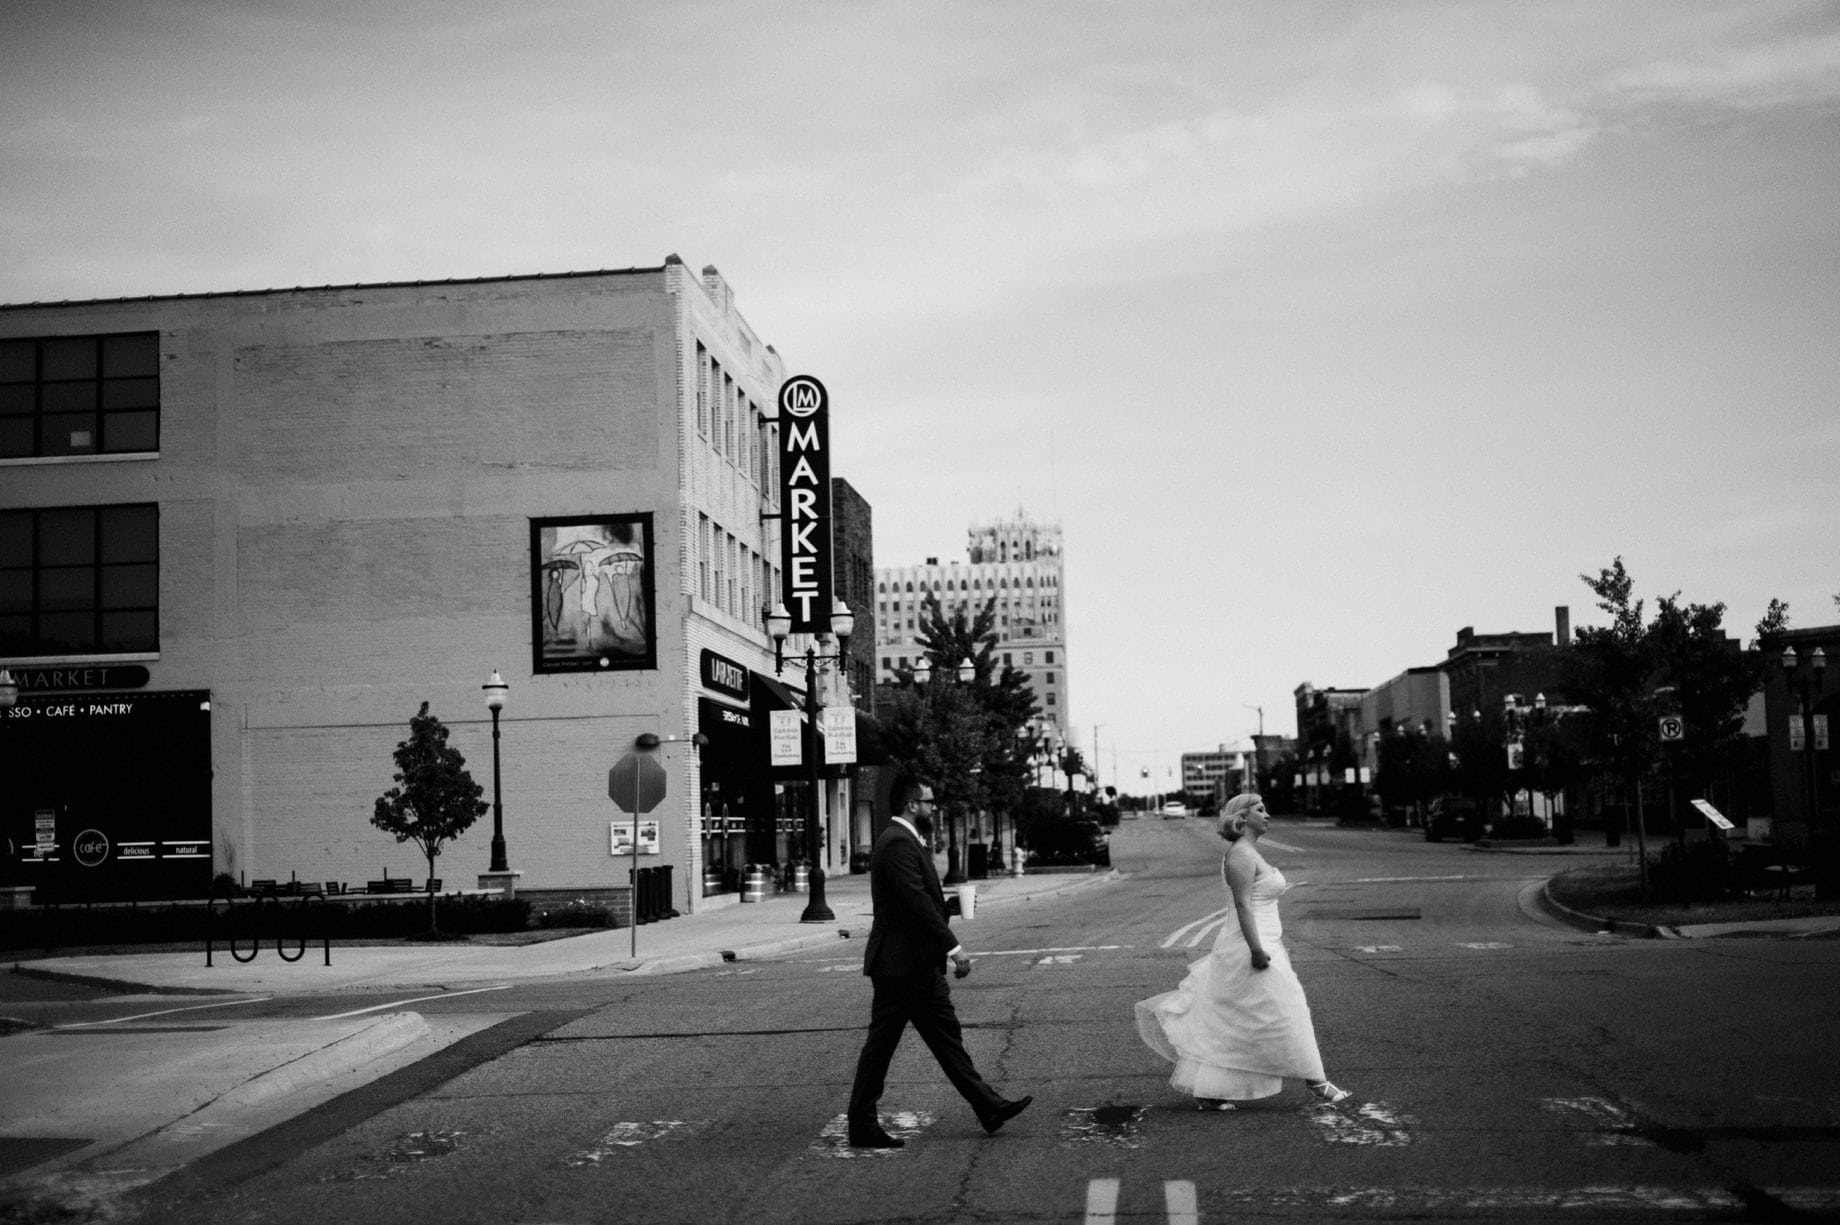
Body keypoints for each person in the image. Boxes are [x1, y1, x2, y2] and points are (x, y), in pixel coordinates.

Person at [845, 772, 1033, 1148]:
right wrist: (954, 947)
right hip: (900, 967)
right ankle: (861, 1124)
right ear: (912, 805)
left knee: (948, 1041)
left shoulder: (906, 840)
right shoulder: (897, 843)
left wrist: (948, 905)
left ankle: (990, 1107)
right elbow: (914, 905)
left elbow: (917, 901)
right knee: (880, 1048)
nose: (934, 807)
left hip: (916, 965)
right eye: (929, 801)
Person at [1135, 792, 1352, 1109]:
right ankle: (1317, 1083)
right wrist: (1256, 949)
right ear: (1242, 818)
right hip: (1249, 946)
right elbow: (1242, 906)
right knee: (1284, 1011)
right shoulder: (1240, 855)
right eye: (1260, 810)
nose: (1268, 815)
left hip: (1265, 942)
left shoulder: (1251, 852)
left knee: (1243, 1018)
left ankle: (1212, 1089)